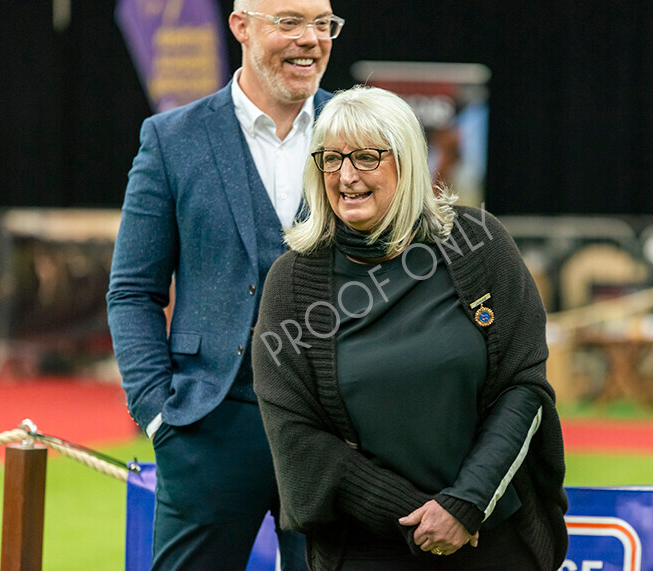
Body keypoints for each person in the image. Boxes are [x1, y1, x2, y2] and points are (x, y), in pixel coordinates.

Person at [251, 85, 569, 570]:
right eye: (330, 159)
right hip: (366, 549)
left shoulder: (478, 243)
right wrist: (419, 518)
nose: (346, 175)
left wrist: (465, 505)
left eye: (366, 157)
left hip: (491, 536)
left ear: (408, 164)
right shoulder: (292, 283)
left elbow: (523, 387)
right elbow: (297, 437)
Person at [106, 1, 345, 568]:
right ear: (241, 26)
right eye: (289, 22)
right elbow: (133, 291)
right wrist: (158, 412)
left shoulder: (366, 131)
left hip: (339, 436)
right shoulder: (171, 139)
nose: (310, 39)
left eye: (323, 23)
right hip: (208, 426)